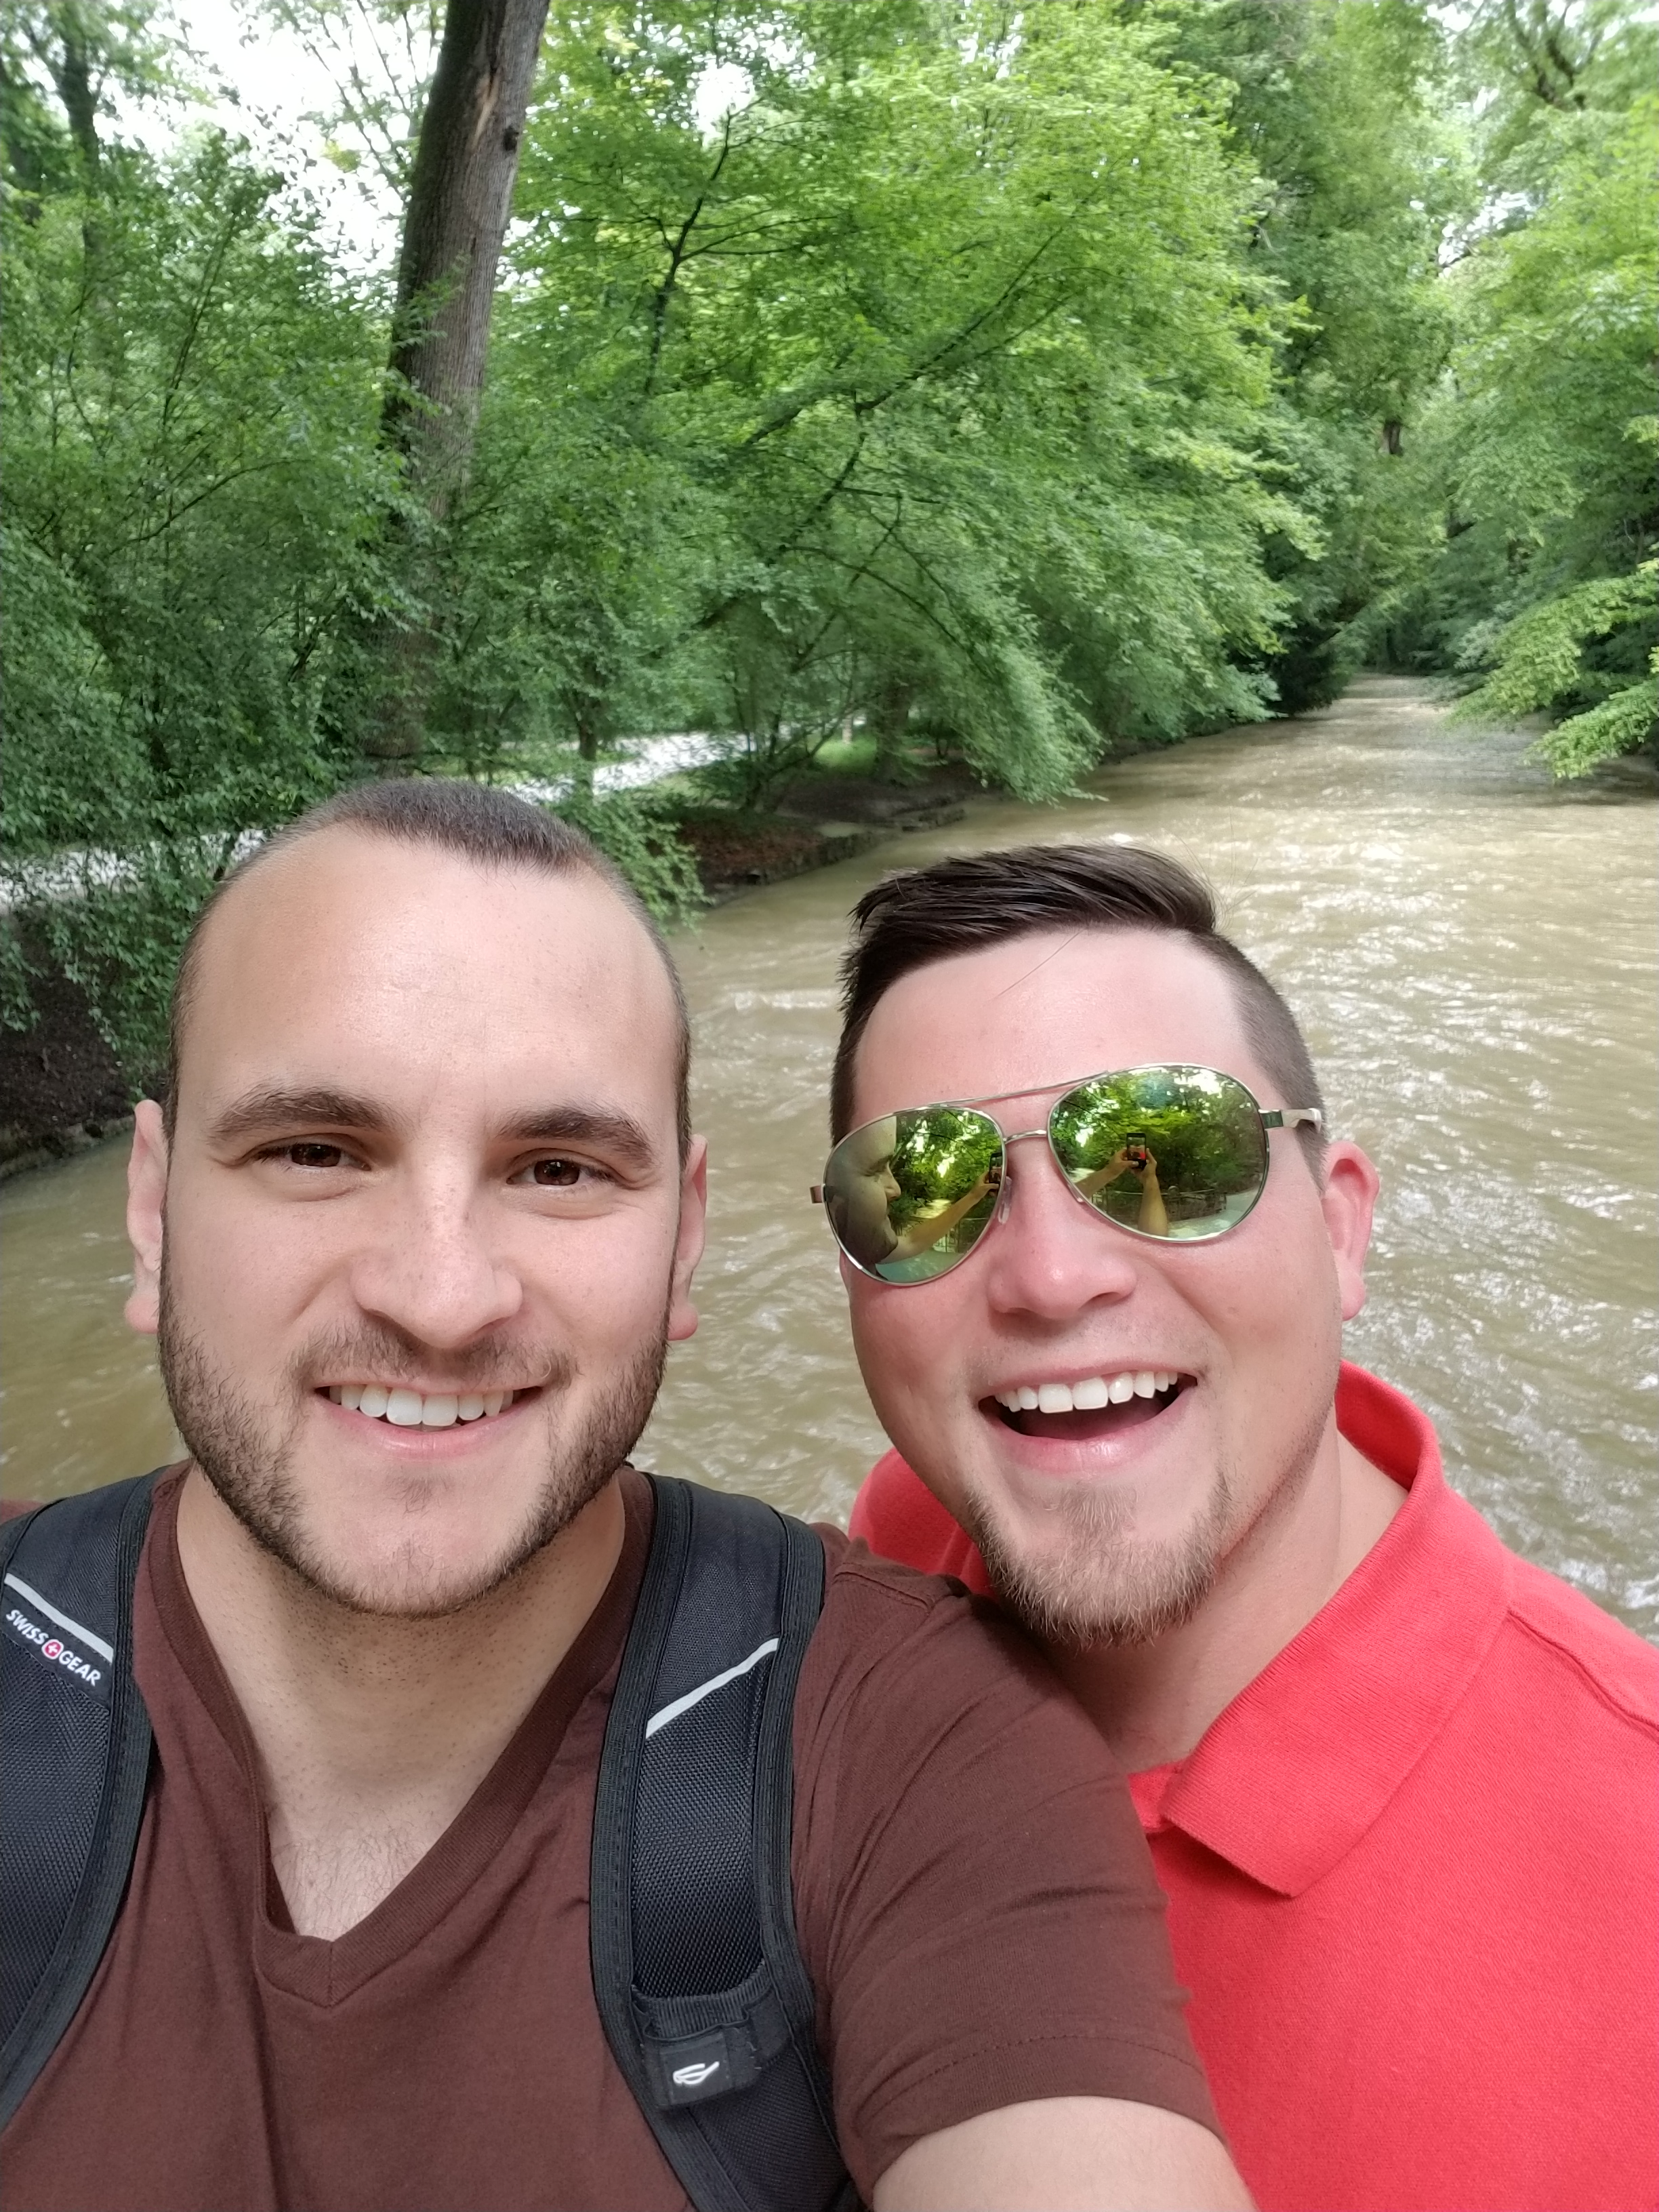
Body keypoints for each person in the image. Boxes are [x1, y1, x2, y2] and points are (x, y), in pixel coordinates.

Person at [0, 786, 1251, 2212]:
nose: (441, 1296)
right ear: (152, 1210)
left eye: (559, 1170)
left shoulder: (916, 1747)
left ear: (685, 1240)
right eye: (316, 1152)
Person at [830, 843, 1659, 2212]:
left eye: (1168, 1157)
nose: (1050, 1277)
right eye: (922, 1190)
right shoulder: (899, 1556)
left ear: (1340, 1230)